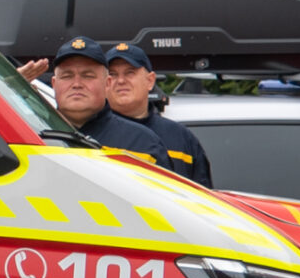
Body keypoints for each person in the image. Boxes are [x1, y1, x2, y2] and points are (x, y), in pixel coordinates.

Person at [18, 37, 165, 166]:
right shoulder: (27, 134)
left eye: (87, 76)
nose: (77, 84)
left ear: (107, 84)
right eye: (67, 76)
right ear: (54, 84)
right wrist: (2, 86)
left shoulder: (143, 143)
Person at [101, 42, 212, 186]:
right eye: (113, 74)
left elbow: (204, 200)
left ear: (150, 80)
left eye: (130, 73)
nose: (121, 81)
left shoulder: (181, 138)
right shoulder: (91, 136)